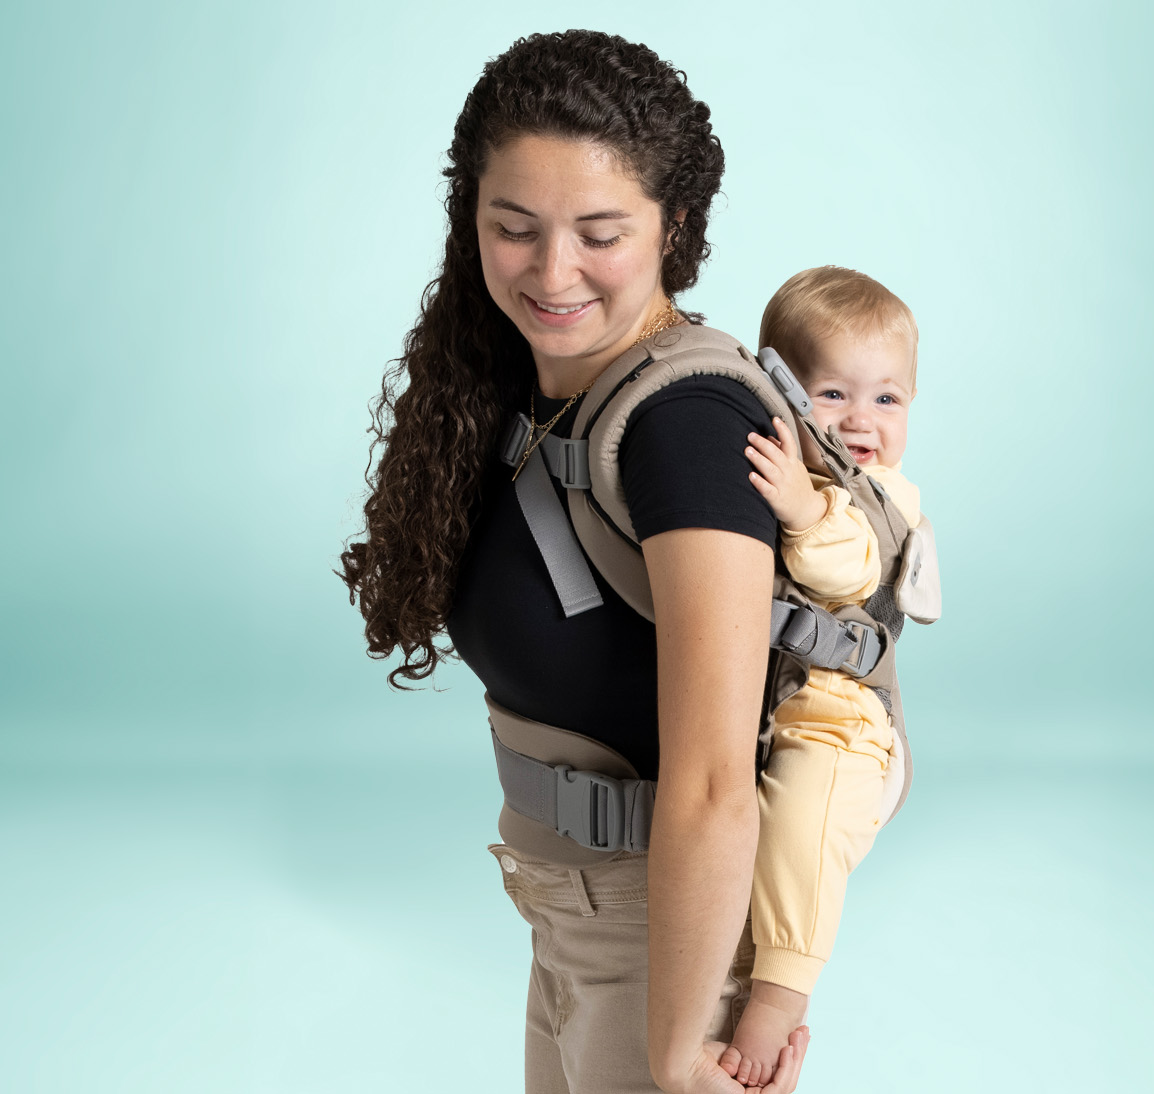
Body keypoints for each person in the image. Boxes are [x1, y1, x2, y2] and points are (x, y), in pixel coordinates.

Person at [339, 30, 810, 1094]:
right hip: (572, 918)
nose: (552, 273)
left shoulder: (686, 430)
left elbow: (709, 782)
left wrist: (684, 1039)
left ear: (673, 227)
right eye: (514, 227)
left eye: (600, 232)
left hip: (663, 944)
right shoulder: (526, 392)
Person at [720, 268, 924, 1088]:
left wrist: (806, 511)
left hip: (842, 728)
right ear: (785, 395)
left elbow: (855, 568)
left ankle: (777, 1004)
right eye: (833, 394)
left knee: (802, 836)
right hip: (778, 709)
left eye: (888, 400)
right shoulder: (793, 467)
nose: (861, 422)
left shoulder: (885, 495)